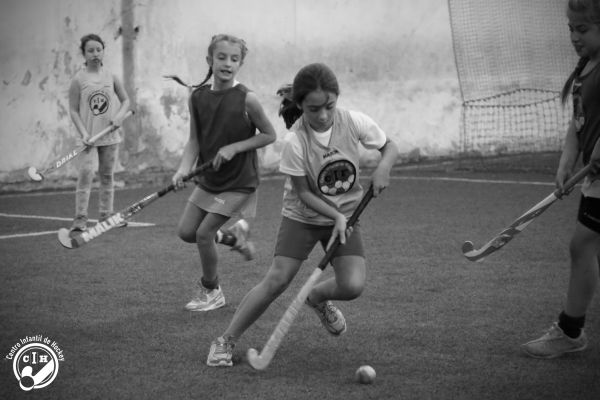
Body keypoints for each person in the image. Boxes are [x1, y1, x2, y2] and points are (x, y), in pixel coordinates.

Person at [206, 62, 399, 367]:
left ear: (337, 98)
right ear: (300, 106)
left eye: (329, 106)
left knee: (352, 286)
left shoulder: (355, 121)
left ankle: (317, 298)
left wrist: (383, 168)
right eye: (313, 109)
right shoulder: (296, 141)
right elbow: (305, 193)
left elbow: (389, 146)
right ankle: (225, 340)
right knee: (277, 280)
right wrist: (334, 217)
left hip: (346, 217)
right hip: (304, 218)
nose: (322, 116)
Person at [170, 34, 277, 312]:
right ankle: (233, 238)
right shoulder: (198, 97)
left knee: (204, 234)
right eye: (221, 57)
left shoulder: (247, 99)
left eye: (234, 59)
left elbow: (269, 135)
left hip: (240, 181)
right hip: (210, 180)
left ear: (240, 63)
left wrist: (235, 147)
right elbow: (194, 141)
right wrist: (183, 170)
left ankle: (211, 289)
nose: (227, 63)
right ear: (210, 60)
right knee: (186, 232)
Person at [521, 0, 600, 359]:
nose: (574, 36)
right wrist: (567, 161)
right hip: (594, 178)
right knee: (583, 246)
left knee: (582, 245)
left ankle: (570, 331)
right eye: (571, 28)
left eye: (582, 29)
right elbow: (578, 121)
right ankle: (570, 330)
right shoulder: (586, 67)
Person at [69, 34, 131, 232]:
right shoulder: (78, 79)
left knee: (107, 176)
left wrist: (120, 116)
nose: (95, 54)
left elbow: (126, 101)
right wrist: (83, 133)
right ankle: (80, 219)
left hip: (109, 136)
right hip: (88, 138)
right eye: (90, 50)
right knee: (86, 174)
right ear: (84, 54)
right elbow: (73, 110)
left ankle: (106, 216)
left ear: (103, 51)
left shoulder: (111, 76)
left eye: (98, 49)